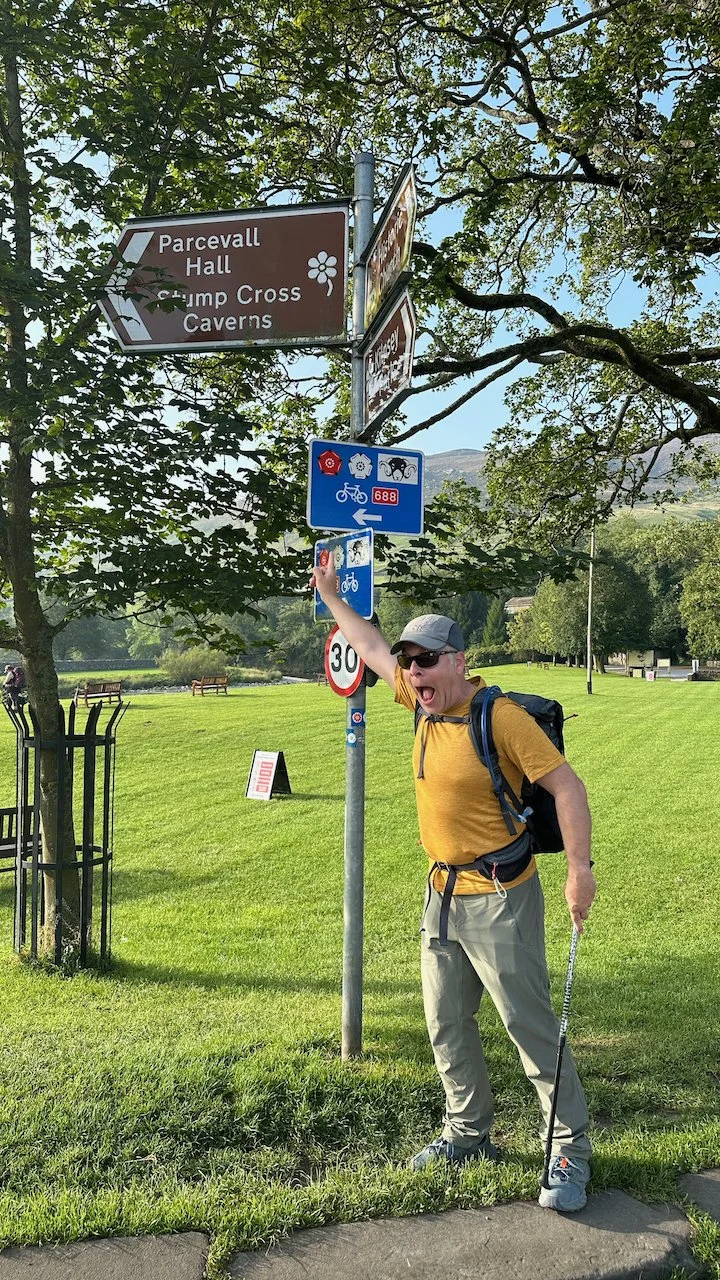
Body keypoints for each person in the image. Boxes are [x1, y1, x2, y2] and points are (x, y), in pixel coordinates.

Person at [312, 558, 597, 1213]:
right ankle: (468, 1134)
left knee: (527, 1025)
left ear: (459, 661)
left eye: (427, 660)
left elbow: (567, 786)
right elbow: (371, 645)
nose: (413, 671)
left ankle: (569, 1153)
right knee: (445, 1024)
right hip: (441, 896)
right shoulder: (417, 700)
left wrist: (579, 870)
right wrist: (331, 597)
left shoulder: (499, 718)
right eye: (411, 662)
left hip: (502, 895)